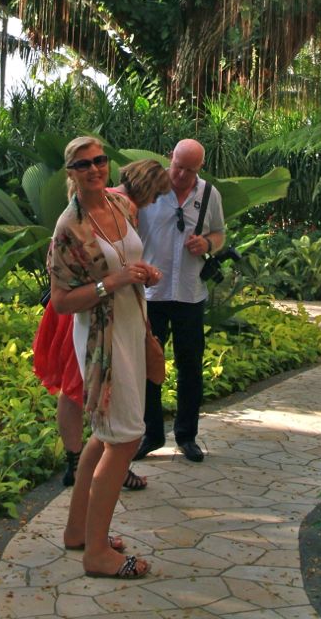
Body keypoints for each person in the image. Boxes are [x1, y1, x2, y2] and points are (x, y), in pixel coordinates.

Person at [47, 137, 162, 580]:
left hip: (131, 326)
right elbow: (61, 302)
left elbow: (126, 260)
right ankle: (96, 553)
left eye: (99, 160)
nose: (94, 169)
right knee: (125, 438)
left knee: (104, 435)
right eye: (83, 164)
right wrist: (111, 283)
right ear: (71, 173)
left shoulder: (121, 206)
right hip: (101, 340)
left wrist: (142, 273)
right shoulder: (68, 228)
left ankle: (78, 531)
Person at [33, 158, 171, 492]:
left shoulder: (109, 200)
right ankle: (101, 463)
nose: (154, 203)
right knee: (82, 385)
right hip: (92, 310)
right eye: (156, 195)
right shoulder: (114, 205)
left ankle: (79, 462)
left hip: (91, 307)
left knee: (74, 386)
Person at [135, 138, 225, 463]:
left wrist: (208, 244)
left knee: (190, 367)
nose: (182, 175)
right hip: (151, 294)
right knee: (148, 365)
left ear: (200, 167)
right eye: (178, 166)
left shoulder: (209, 194)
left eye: (190, 169)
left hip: (189, 293)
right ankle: (151, 434)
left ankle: (187, 436)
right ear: (170, 157)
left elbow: (219, 233)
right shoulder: (148, 189)